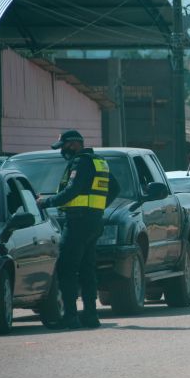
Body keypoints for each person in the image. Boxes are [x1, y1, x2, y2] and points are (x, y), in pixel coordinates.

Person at [37, 130, 118, 329]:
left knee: (67, 269)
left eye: (63, 147)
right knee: (87, 270)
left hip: (77, 222)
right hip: (93, 221)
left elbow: (72, 190)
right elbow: (115, 188)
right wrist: (97, 208)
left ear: (73, 144)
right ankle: (91, 316)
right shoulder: (99, 161)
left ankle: (70, 317)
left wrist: (45, 202)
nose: (62, 152)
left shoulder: (80, 162)